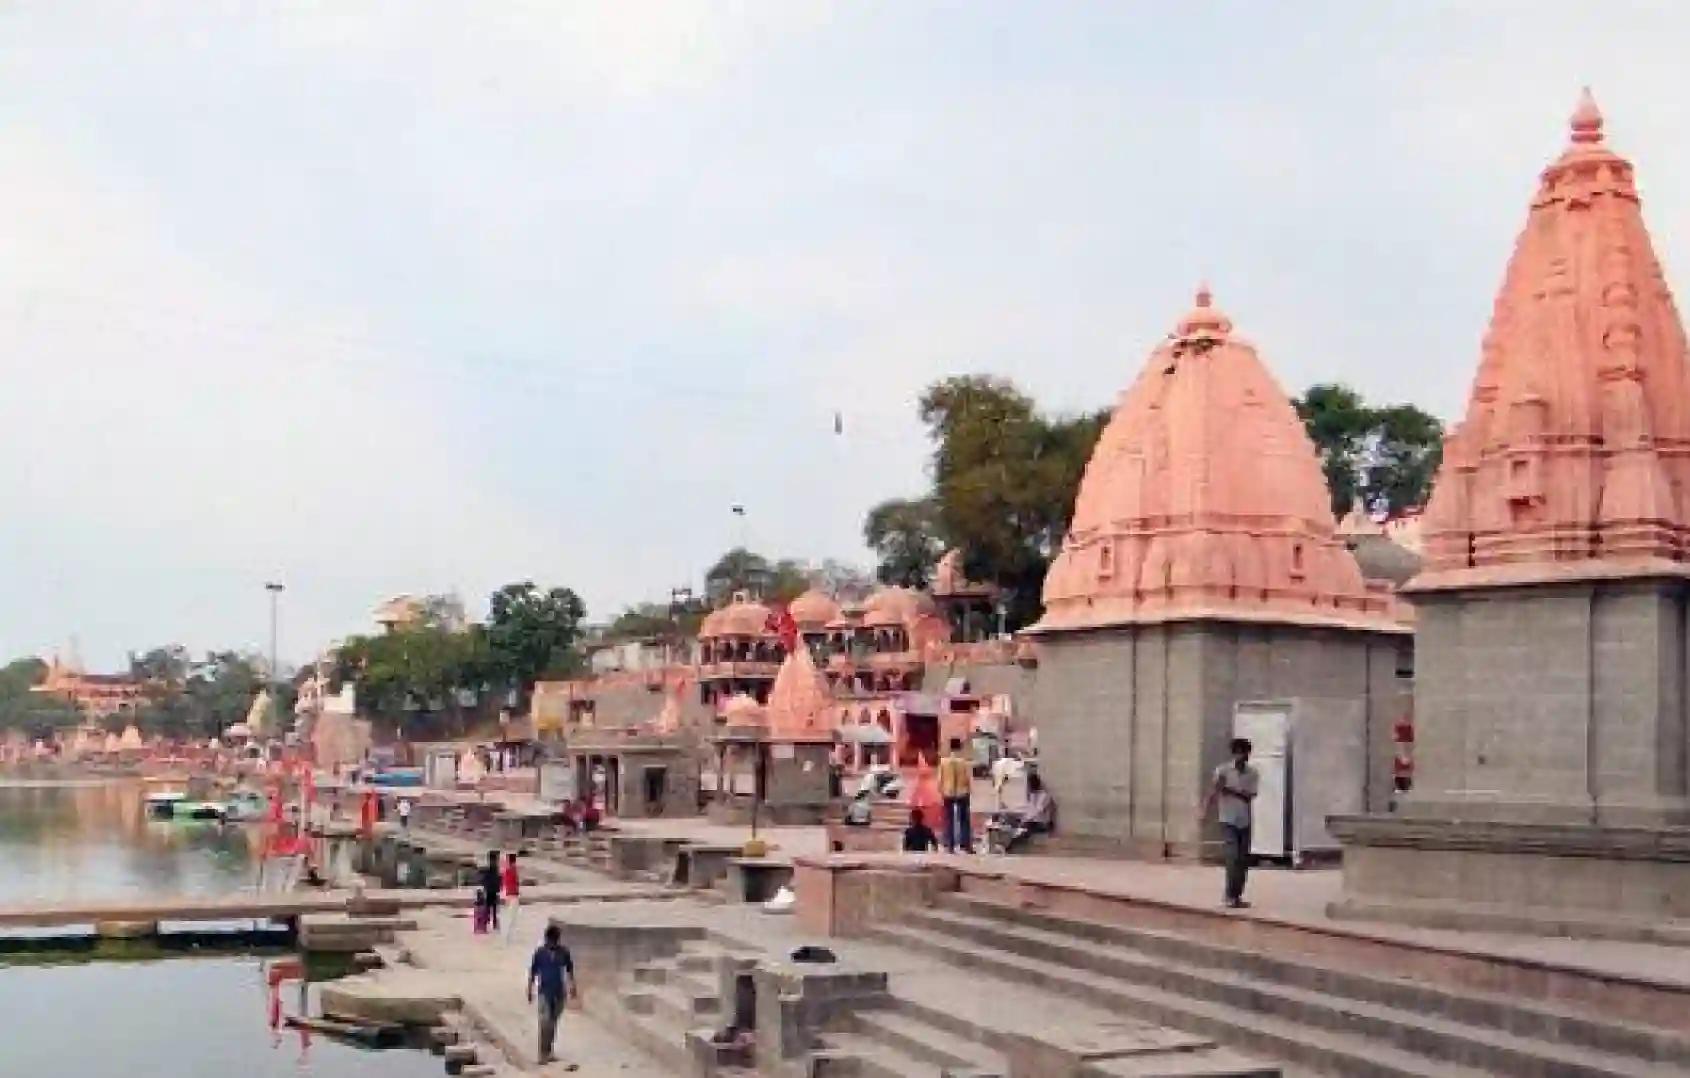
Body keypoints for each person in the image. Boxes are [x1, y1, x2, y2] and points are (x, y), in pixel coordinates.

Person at [1200, 737, 1260, 909]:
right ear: (1234, 753)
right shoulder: (1223, 770)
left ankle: (1236, 895)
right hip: (1227, 819)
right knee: (1232, 857)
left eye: (1245, 753)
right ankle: (1229, 895)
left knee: (1243, 860)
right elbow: (1214, 791)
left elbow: (1249, 796)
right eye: (1239, 752)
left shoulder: (1252, 773)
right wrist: (1204, 810)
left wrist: (1229, 789)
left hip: (1244, 820)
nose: (1242, 756)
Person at [526, 923, 578, 1065]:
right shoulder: (540, 953)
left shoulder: (564, 952)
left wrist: (572, 986)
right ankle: (542, 1053)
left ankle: (549, 1051)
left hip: (559, 992)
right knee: (545, 1022)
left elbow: (569, 969)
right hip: (544, 992)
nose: (551, 943)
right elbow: (533, 972)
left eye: (554, 941)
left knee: (553, 1022)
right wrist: (529, 989)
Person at [1004, 773, 1056, 853]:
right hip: (1032, 821)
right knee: (1010, 821)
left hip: (1041, 822)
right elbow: (1028, 809)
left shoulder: (1044, 796)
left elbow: (1038, 810)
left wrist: (1025, 819)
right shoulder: (1032, 795)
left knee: (1025, 827)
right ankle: (1009, 843)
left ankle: (1009, 846)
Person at [938, 737, 973, 853]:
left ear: (950, 747)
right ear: (960, 747)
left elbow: (940, 779)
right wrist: (969, 790)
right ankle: (966, 845)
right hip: (962, 792)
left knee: (948, 819)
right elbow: (968, 778)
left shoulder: (943, 762)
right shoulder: (964, 762)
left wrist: (941, 790)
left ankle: (950, 845)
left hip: (948, 791)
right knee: (964, 819)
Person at [479, 850, 503, 932]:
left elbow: (496, 879)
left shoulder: (495, 869)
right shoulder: (490, 870)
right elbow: (485, 880)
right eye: (496, 859)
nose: (497, 861)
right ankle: (486, 925)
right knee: (488, 909)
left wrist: (499, 884)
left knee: (493, 909)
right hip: (490, 891)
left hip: (493, 891)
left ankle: (492, 924)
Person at [501, 851, 522, 943]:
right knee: (512, 917)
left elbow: (505, 883)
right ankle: (508, 937)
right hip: (513, 895)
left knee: (510, 916)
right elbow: (516, 882)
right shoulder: (512, 870)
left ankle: (507, 936)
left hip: (509, 894)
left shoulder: (507, 870)